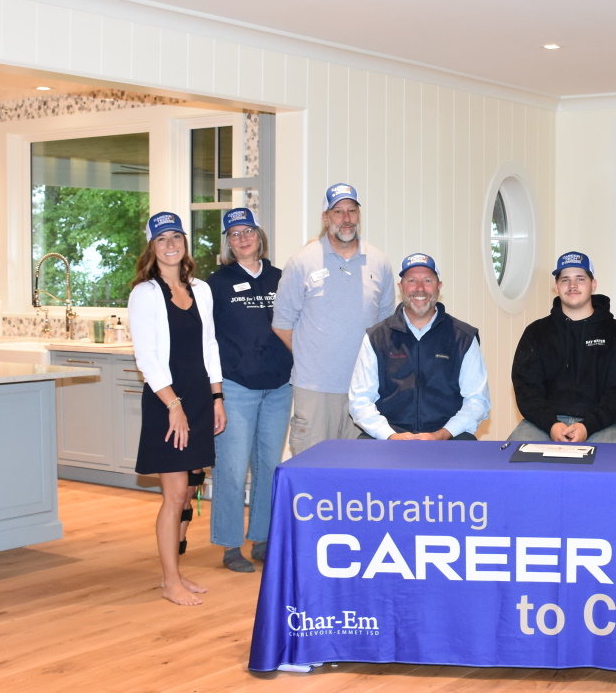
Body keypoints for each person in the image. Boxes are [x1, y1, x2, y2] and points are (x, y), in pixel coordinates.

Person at [128, 211, 227, 606]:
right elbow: (146, 357)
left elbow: (210, 346)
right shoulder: (145, 293)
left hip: (199, 398)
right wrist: (173, 404)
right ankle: (170, 581)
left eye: (176, 237)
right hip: (166, 401)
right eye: (162, 239)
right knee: (173, 495)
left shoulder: (200, 289)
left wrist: (217, 397)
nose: (170, 245)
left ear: (185, 243)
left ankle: (175, 573)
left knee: (187, 491)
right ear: (152, 247)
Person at [272, 183, 396, 455]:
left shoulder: (379, 262)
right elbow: (281, 324)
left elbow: (386, 323)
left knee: (358, 468)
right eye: (338, 212)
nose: (346, 218)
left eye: (352, 210)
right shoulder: (302, 262)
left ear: (359, 215)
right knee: (312, 467)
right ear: (326, 218)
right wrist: (313, 357)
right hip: (315, 389)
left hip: (364, 389)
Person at [206, 207, 293, 573]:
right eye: (235, 233)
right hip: (236, 386)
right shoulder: (216, 283)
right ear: (228, 242)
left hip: (279, 387)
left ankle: (262, 539)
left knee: (269, 466)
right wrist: (213, 392)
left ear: (260, 236)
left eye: (248, 231)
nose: (243, 238)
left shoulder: (280, 278)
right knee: (231, 467)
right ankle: (230, 546)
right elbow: (206, 339)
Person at [349, 253, 491, 440]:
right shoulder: (376, 337)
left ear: (439, 287)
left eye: (427, 280)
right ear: (401, 287)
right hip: (388, 436)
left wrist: (441, 434)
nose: (420, 288)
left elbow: (477, 401)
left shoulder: (463, 337)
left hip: (448, 436)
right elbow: (360, 400)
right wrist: (390, 435)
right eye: (412, 281)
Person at [508, 251, 616, 444]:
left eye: (580, 278)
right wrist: (552, 425)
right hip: (543, 424)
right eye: (565, 280)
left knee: (614, 456)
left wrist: (588, 426)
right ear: (556, 287)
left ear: (593, 285)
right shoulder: (536, 332)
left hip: (604, 425)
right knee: (516, 451)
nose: (572, 285)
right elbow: (526, 389)